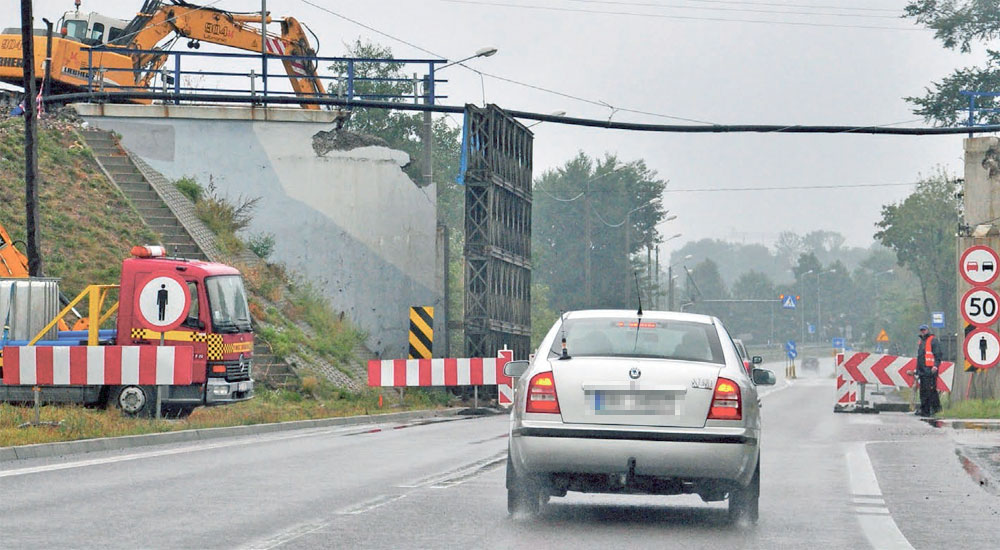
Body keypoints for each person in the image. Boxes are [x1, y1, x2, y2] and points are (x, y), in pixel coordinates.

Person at [914, 324, 942, 417]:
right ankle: (928, 409)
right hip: (923, 370)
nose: (923, 331)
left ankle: (930, 410)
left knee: (929, 391)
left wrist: (935, 366)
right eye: (921, 330)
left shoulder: (933, 340)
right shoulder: (922, 341)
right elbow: (920, 357)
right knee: (924, 391)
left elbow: (938, 354)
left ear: (928, 330)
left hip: (930, 370)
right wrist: (917, 370)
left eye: (924, 330)